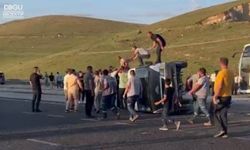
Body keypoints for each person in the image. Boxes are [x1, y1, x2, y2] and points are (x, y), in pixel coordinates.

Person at [213, 57, 234, 138]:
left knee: (214, 112)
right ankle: (225, 132)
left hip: (221, 96)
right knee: (223, 114)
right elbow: (233, 85)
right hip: (228, 96)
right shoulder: (231, 72)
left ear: (221, 63)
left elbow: (220, 86)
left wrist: (215, 96)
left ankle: (221, 129)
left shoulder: (221, 73)